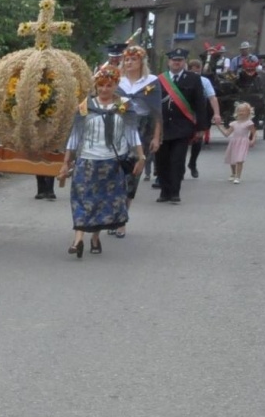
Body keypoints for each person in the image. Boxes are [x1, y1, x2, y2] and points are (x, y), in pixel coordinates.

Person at [58, 64, 145, 258]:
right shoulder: (84, 106)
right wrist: (66, 162)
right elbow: (74, 136)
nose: (104, 89)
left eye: (109, 85)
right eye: (101, 85)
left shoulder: (124, 106)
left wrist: (141, 156)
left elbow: (133, 134)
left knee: (102, 202)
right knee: (81, 198)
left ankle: (95, 238)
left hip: (111, 162)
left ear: (116, 85)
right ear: (96, 86)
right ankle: (77, 239)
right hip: (87, 160)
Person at [153, 48, 205, 206]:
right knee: (161, 161)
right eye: (174, 60)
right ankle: (164, 191)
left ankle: (175, 192)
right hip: (162, 128)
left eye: (180, 60)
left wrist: (201, 127)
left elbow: (200, 104)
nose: (177, 63)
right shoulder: (159, 80)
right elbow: (153, 105)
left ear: (184, 62)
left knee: (177, 161)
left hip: (182, 128)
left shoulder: (193, 79)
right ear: (169, 62)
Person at [117, 45, 161, 213]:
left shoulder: (151, 81)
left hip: (143, 129)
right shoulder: (117, 81)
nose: (129, 62)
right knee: (117, 170)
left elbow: (157, 111)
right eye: (126, 59)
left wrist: (156, 137)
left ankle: (123, 216)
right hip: (120, 127)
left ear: (142, 62)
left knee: (133, 172)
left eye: (133, 59)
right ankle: (115, 212)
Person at [186, 58, 217, 179]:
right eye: (192, 71)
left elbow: (212, 97)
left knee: (198, 140)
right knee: (182, 141)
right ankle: (179, 168)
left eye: (197, 72)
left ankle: (192, 163)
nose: (195, 74)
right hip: (185, 113)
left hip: (199, 112)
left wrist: (216, 113)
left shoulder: (205, 81)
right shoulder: (184, 80)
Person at [223, 102, 258, 182]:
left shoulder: (249, 123)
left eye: (243, 111)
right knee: (232, 159)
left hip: (243, 142)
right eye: (239, 111)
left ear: (248, 112)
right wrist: (219, 126)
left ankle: (238, 177)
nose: (241, 112)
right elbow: (226, 134)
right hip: (234, 142)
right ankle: (233, 173)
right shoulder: (233, 123)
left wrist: (253, 140)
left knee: (239, 160)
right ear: (236, 112)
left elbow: (254, 132)